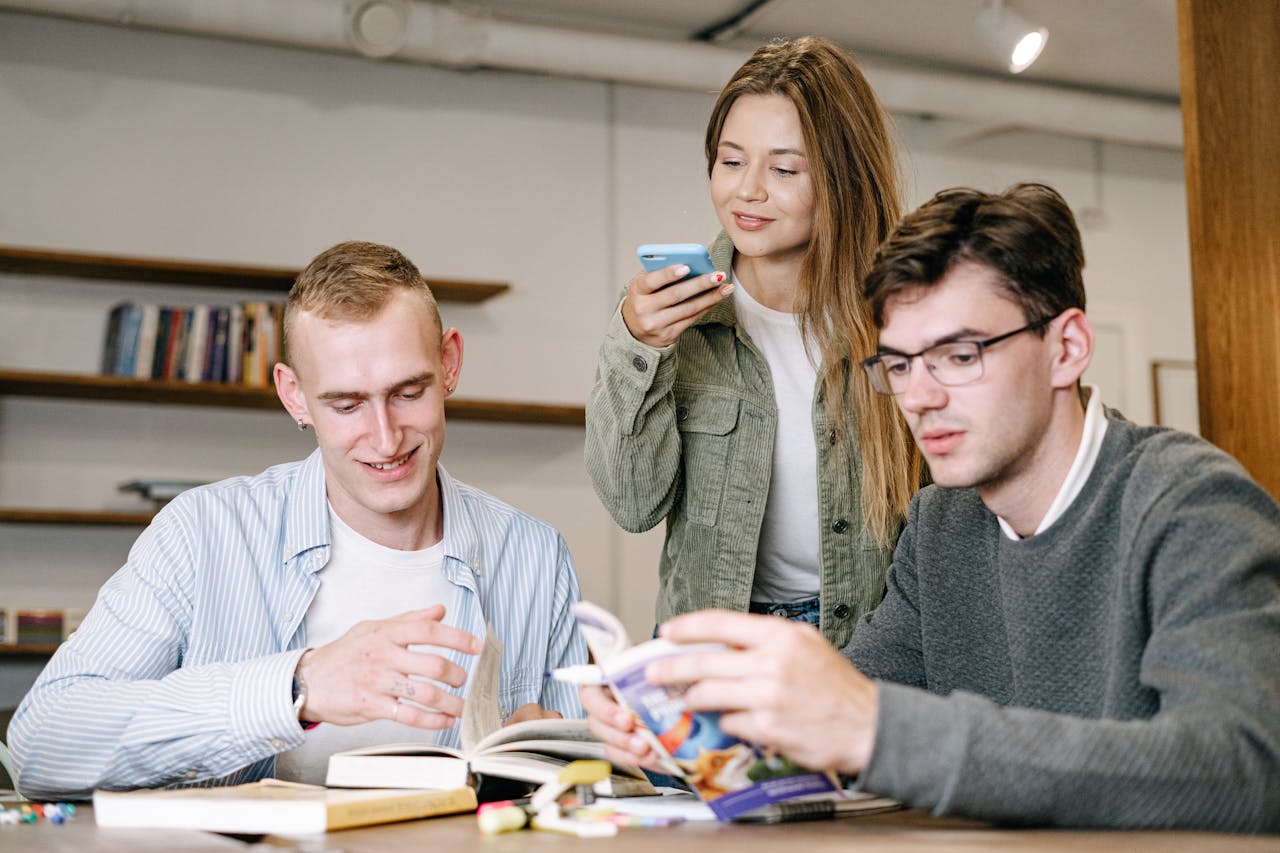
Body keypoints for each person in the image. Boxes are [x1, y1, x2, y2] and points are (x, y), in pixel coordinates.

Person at [582, 184, 1280, 831]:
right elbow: (837, 723)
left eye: (959, 354)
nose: (919, 396)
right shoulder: (942, 526)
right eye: (900, 363)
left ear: (1066, 348)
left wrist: (876, 728)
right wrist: (691, 735)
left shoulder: (1190, 506)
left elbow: (1247, 767)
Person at [10, 240, 587, 799]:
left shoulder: (534, 555)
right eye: (346, 405)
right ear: (294, 396)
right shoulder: (203, 533)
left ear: (450, 364)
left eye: (409, 392)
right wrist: (297, 688)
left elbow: (597, 792)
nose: (385, 438)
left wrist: (563, 762)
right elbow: (42, 743)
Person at [586, 36, 921, 648]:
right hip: (712, 650)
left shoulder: (904, 317)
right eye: (731, 161)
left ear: (844, 178)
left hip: (870, 646)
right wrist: (639, 346)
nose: (748, 191)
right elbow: (633, 505)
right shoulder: (666, 315)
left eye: (785, 168)